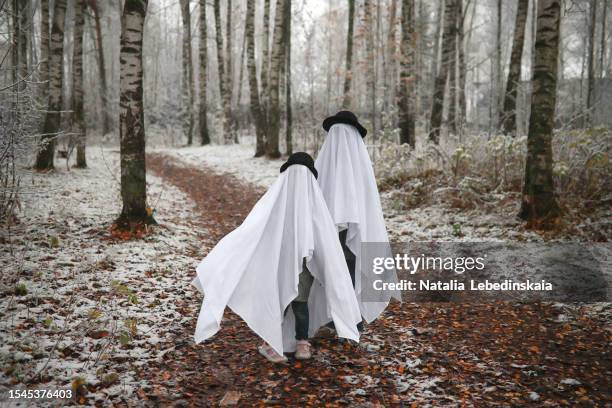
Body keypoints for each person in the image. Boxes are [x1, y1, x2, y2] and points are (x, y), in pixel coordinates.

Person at [192, 152, 361, 363]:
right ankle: (278, 343)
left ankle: (295, 342)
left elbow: (322, 236)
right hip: (283, 264)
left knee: (292, 303)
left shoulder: (303, 203)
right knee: (285, 304)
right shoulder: (291, 201)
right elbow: (259, 228)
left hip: (296, 266)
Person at [315, 111, 401, 332]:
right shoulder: (332, 157)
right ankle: (339, 317)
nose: (340, 137)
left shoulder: (343, 157)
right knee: (335, 264)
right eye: (337, 133)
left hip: (351, 226)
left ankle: (350, 319)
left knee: (347, 263)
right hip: (333, 225)